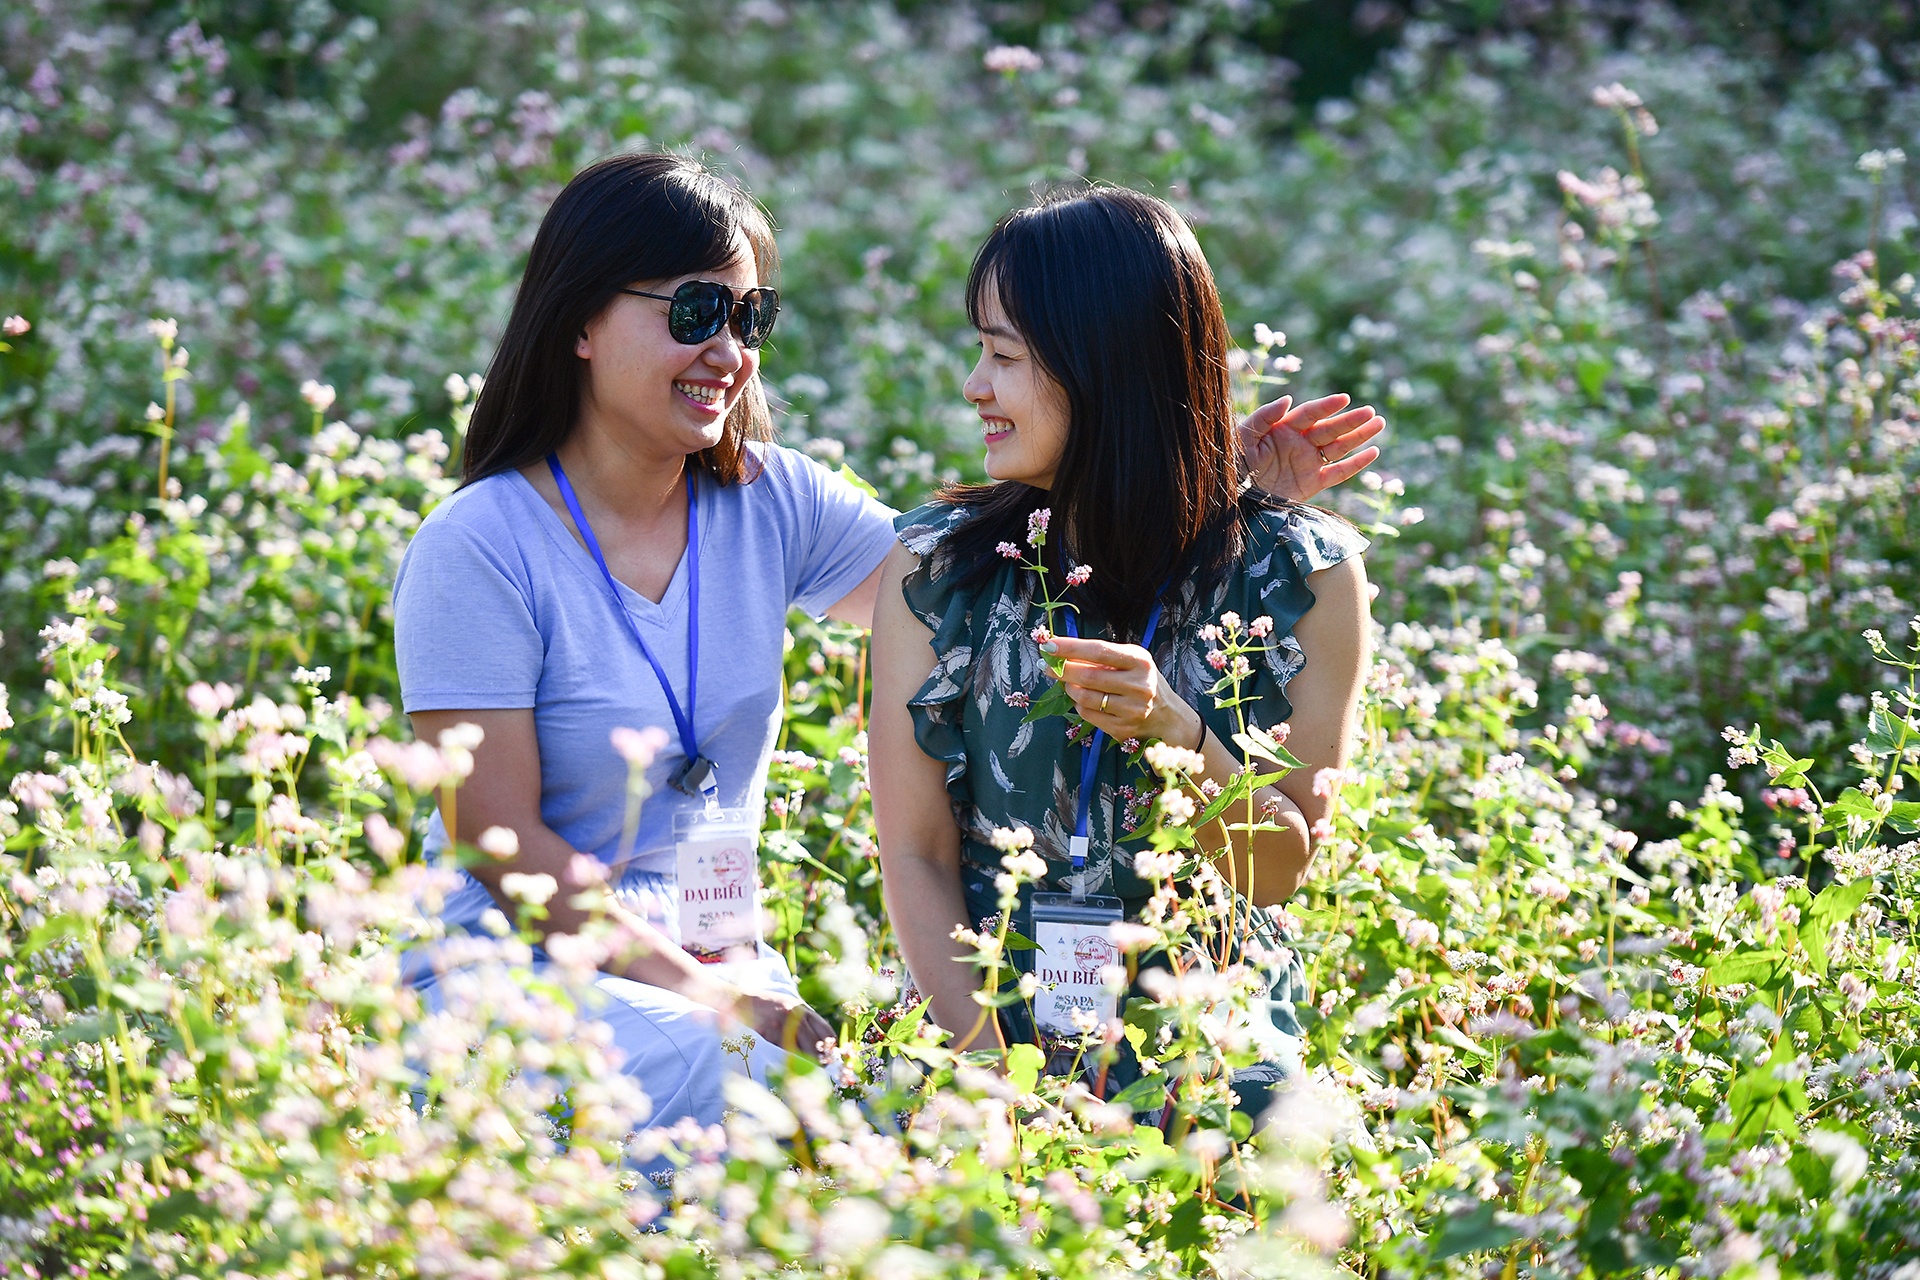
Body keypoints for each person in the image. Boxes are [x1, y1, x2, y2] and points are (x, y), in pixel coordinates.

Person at [393, 152, 1382, 1136]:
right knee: (761, 1095)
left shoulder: (768, 499)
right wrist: (722, 999)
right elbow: (499, 841)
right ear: (576, 319)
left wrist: (1203, 500)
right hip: (531, 959)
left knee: (804, 1113)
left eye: (751, 318)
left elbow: (1007, 591)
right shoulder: (478, 548)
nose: (731, 353)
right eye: (694, 313)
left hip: (718, 955)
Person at [869, 186, 1373, 1120]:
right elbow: (916, 854)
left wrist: (1176, 733)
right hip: (976, 1023)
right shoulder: (937, 568)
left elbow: (1280, 871)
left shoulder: (1303, 576)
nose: (975, 385)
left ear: (1104, 371)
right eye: (980, 351)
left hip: (1212, 1045)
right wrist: (992, 1075)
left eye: (1005, 357)